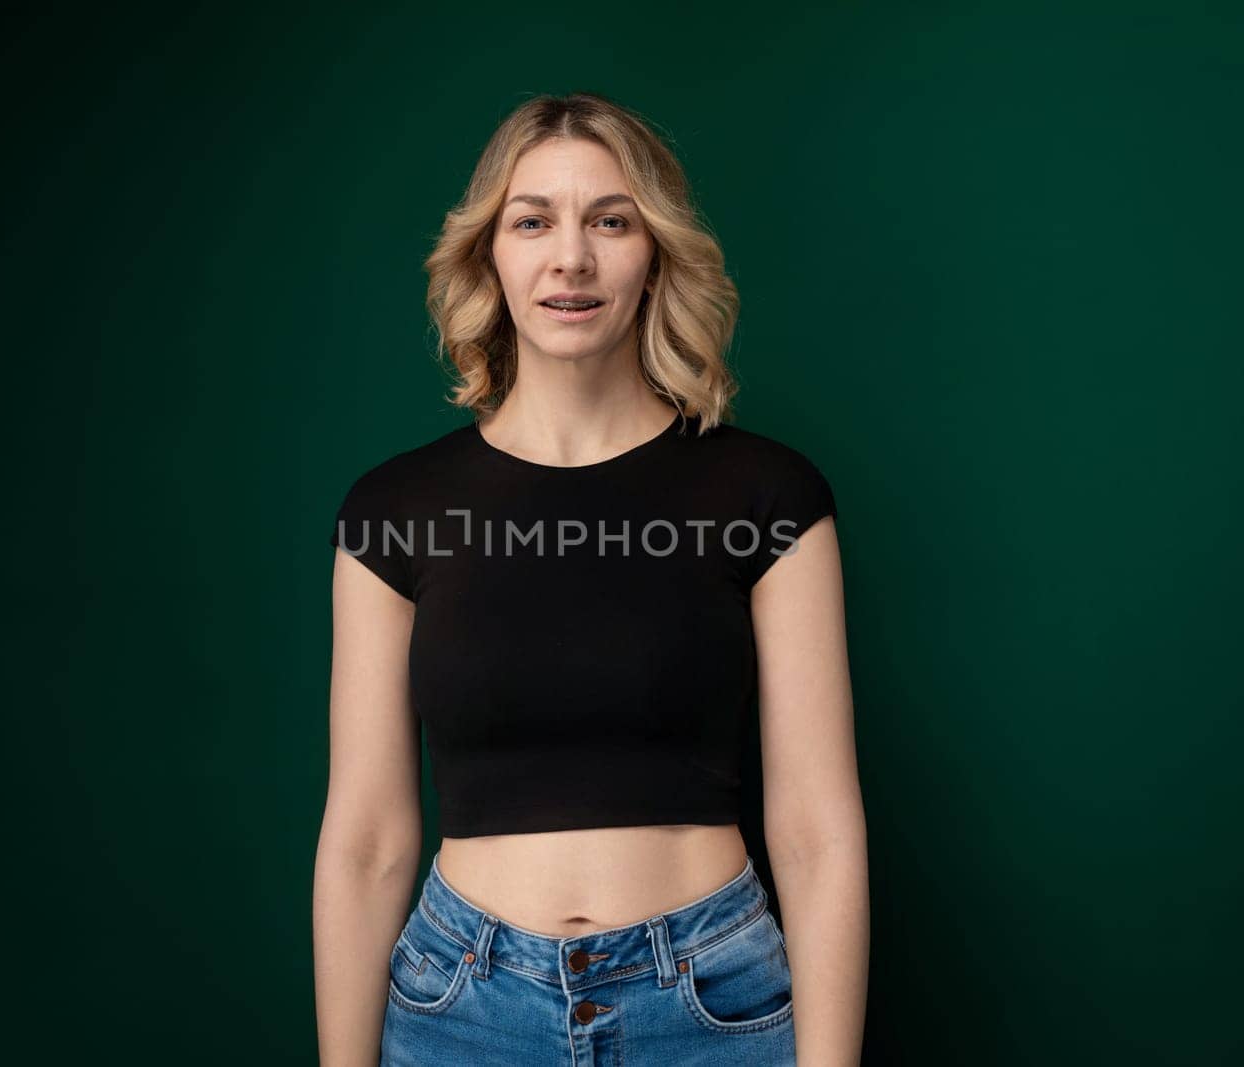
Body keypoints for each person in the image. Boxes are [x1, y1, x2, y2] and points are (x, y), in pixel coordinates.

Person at [314, 92, 867, 1065]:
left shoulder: (766, 493)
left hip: (708, 1005)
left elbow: (818, 829)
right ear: (491, 252)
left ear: (653, 251)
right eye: (533, 221)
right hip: (459, 1007)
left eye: (610, 220)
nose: (571, 256)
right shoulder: (394, 508)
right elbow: (365, 839)